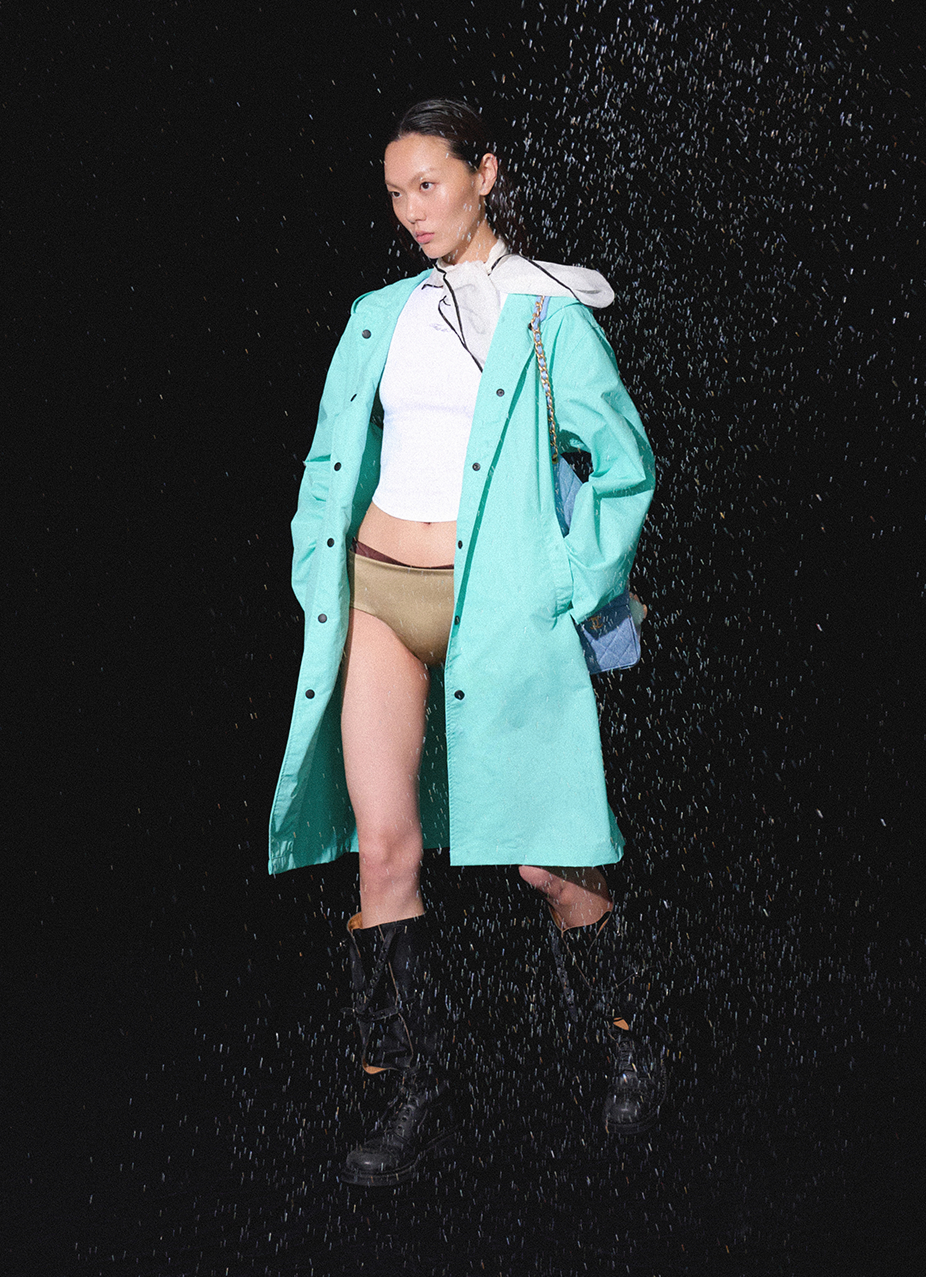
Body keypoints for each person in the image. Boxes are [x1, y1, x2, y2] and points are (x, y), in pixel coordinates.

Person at [268, 98, 663, 1187]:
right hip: (379, 597)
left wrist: (570, 588)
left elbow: (622, 462)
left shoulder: (547, 316)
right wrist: (315, 572)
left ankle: (632, 1045)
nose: (412, 210)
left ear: (484, 172)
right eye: (395, 194)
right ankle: (408, 1095)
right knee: (383, 852)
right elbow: (327, 463)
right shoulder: (378, 314)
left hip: (498, 613)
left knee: (548, 860)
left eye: (429, 184)